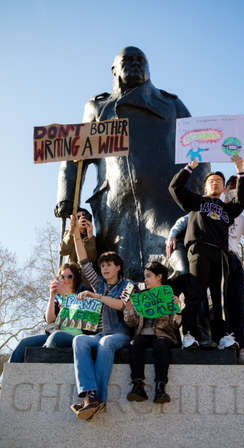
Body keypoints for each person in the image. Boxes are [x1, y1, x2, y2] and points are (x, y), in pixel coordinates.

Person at [55, 46, 209, 280]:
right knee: (115, 269)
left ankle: (181, 314)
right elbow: (75, 155)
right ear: (114, 69)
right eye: (128, 60)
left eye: (141, 60)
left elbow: (199, 150)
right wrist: (67, 198)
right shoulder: (97, 107)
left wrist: (198, 194)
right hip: (115, 203)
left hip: (165, 200)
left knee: (174, 261)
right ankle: (121, 315)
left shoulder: (171, 104)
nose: (136, 64)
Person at [166, 175, 244, 366]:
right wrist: (189, 168)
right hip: (199, 250)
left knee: (220, 298)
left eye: (218, 181)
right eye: (211, 181)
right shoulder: (197, 202)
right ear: (204, 187)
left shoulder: (228, 210)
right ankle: (190, 334)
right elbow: (174, 188)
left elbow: (242, 199)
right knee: (195, 294)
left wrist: (240, 172)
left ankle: (224, 336)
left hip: (221, 254)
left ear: (224, 188)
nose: (215, 183)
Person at [69, 215, 134, 421]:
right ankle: (89, 392)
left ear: (118, 267)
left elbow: (120, 305)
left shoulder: (128, 285)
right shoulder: (98, 282)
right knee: (79, 339)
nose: (104, 268)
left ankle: (97, 398)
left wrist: (96, 296)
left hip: (120, 334)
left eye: (109, 265)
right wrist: (75, 236)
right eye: (103, 265)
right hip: (100, 333)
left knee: (106, 343)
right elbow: (83, 261)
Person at [124, 262, 182, 404]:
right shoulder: (141, 297)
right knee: (135, 344)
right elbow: (131, 323)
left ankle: (160, 388)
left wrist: (178, 311)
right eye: (145, 277)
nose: (145, 280)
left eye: (148, 276)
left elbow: (175, 325)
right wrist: (129, 309)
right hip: (142, 334)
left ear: (159, 277)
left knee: (161, 345)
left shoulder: (169, 296)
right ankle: (138, 385)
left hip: (163, 334)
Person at [8, 263, 85, 362]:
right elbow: (49, 319)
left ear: (75, 279)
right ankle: (7, 376)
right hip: (53, 335)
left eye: (69, 276)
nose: (65, 279)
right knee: (24, 343)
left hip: (74, 336)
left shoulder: (81, 296)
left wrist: (64, 295)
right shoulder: (58, 299)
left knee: (55, 336)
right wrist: (52, 296)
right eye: (62, 277)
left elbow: (81, 317)